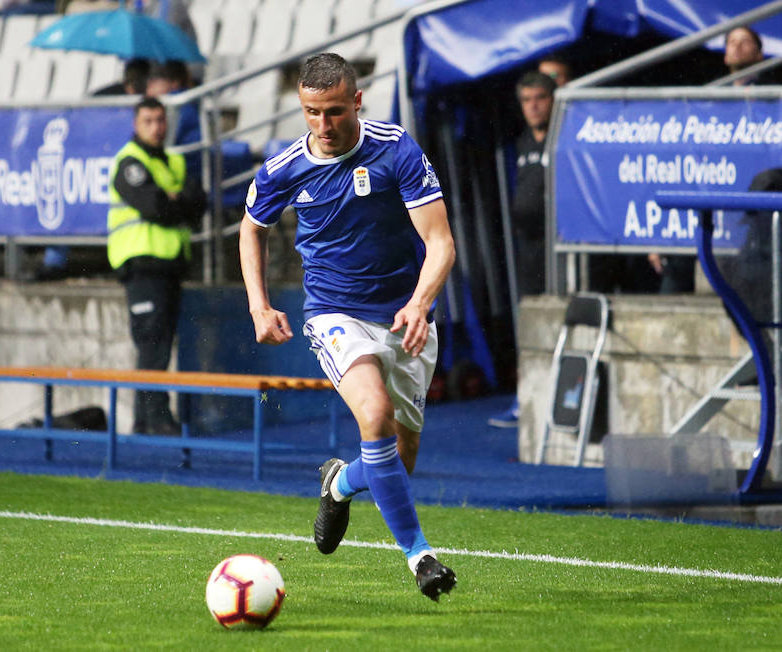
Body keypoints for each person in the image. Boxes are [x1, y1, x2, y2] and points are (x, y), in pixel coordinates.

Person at [239, 53, 457, 601]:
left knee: (397, 464)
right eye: (312, 113)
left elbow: (440, 243)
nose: (324, 126)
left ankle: (338, 483)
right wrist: (259, 306)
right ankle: (420, 557)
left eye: (334, 112)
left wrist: (419, 303)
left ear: (356, 101)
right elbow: (251, 229)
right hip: (334, 314)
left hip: (404, 318)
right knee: (375, 414)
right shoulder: (285, 166)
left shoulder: (396, 148)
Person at [108, 96, 205, 435]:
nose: (156, 127)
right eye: (148, 120)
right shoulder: (129, 162)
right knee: (152, 343)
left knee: (159, 343)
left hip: (169, 266)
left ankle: (145, 421)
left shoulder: (173, 162)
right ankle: (156, 420)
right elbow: (155, 207)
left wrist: (175, 202)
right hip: (141, 263)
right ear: (136, 124)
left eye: (160, 120)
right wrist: (176, 201)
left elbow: (198, 202)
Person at [489, 71, 556, 428]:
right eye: (526, 100)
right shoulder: (523, 143)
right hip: (527, 249)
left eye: (539, 98)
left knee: (558, 324)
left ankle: (557, 400)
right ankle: (526, 398)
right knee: (529, 324)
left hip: (558, 250)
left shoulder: (562, 139)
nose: (532, 106)